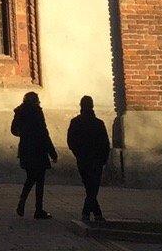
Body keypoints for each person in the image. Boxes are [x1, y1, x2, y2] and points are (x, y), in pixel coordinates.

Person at [10, 91, 56, 221]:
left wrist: (24, 135)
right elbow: (44, 132)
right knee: (39, 180)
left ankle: (22, 201)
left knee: (30, 177)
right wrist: (52, 152)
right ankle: (38, 209)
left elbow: (14, 130)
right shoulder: (37, 111)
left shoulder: (19, 112)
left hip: (25, 149)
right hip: (38, 149)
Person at [65, 95, 110, 225]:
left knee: (89, 187)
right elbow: (105, 143)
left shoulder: (75, 122)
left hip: (83, 159)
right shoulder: (98, 123)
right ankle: (88, 213)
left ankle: (97, 214)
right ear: (92, 106)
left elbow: (70, 141)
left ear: (81, 106)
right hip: (96, 160)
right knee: (93, 187)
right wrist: (104, 158)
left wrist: (77, 153)